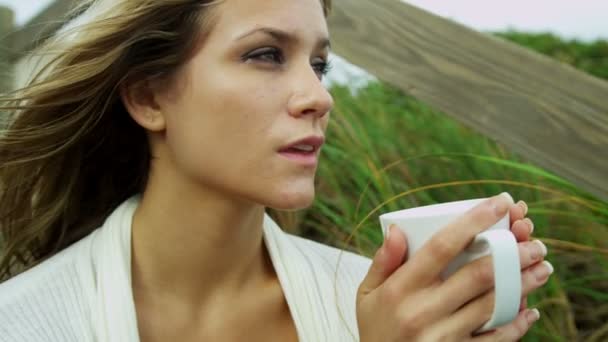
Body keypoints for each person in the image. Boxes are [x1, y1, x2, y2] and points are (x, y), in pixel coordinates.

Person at [0, 0, 552, 341]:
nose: (318, 96)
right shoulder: (21, 323)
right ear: (148, 97)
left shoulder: (381, 309)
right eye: (265, 55)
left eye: (319, 64)